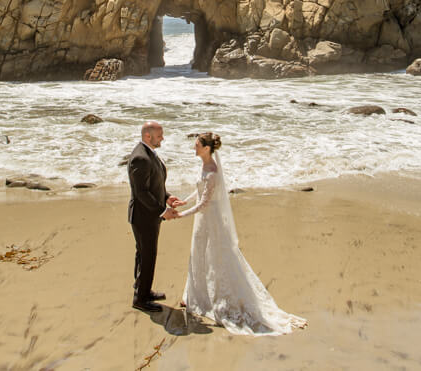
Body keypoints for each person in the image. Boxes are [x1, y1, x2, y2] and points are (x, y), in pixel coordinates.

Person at [171, 132, 307, 335]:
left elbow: (204, 203)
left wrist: (180, 215)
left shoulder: (213, 171)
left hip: (210, 219)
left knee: (214, 258)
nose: (194, 147)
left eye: (197, 144)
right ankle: (194, 296)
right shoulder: (205, 166)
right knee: (198, 254)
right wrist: (184, 200)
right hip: (203, 218)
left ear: (207, 148)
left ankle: (210, 299)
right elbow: (200, 189)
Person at [127, 121, 184, 313]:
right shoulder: (140, 158)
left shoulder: (149, 153)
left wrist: (167, 198)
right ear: (147, 136)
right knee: (148, 255)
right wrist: (162, 211)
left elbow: (154, 184)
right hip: (143, 217)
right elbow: (141, 192)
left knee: (143, 254)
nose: (163, 138)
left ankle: (142, 289)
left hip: (150, 215)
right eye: (159, 135)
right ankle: (141, 299)